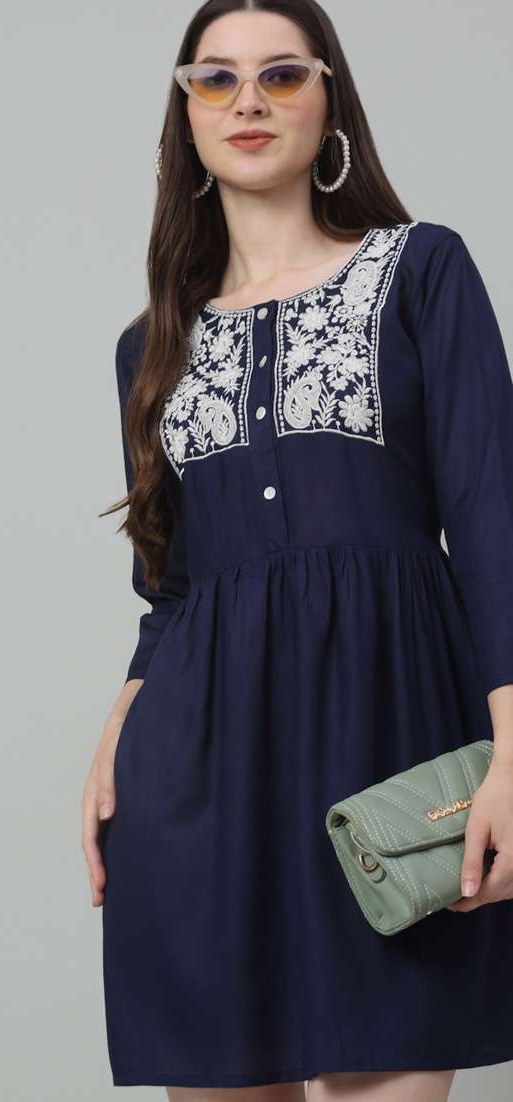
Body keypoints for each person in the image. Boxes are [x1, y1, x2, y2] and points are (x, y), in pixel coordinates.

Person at [80, 2, 513, 1100]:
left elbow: (493, 521)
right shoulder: (150, 347)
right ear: (185, 115)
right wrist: (113, 742)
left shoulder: (420, 271)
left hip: (391, 749)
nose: (249, 102)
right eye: (215, 79)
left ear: (330, 103)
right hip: (196, 774)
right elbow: (168, 591)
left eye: (281, 74)